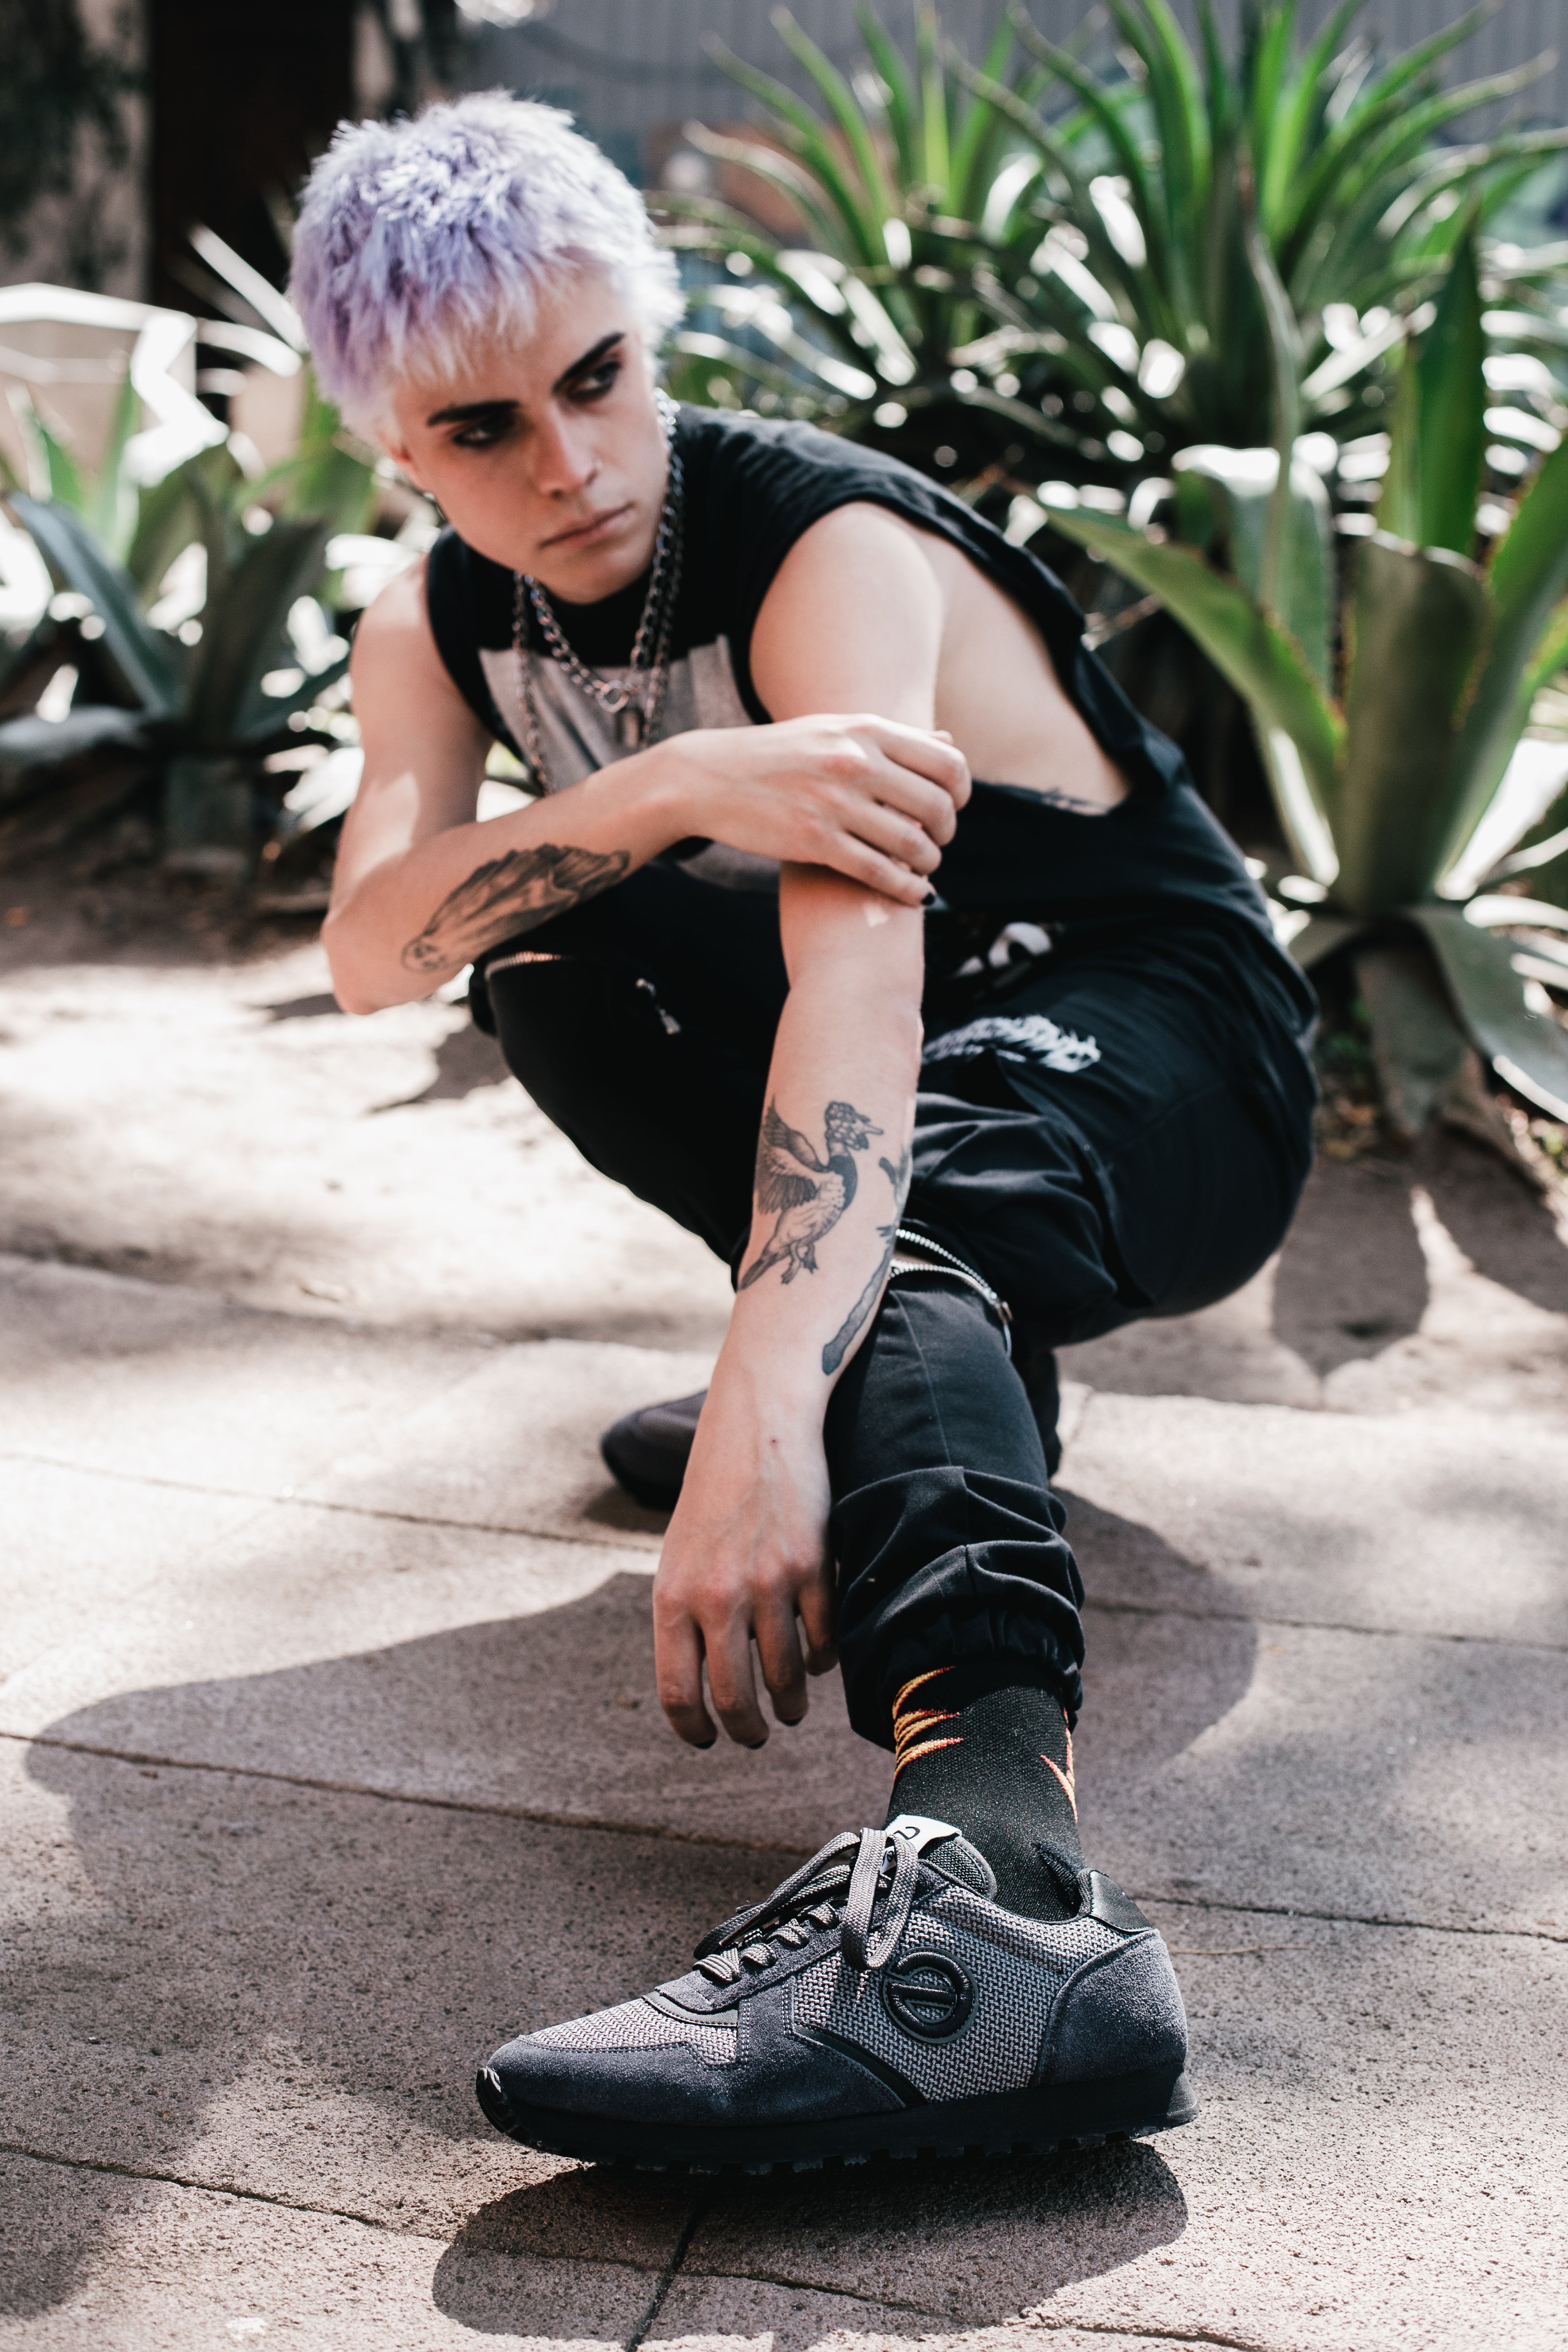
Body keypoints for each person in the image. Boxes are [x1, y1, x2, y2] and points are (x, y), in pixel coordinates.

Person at [292, 93, 1316, 2173]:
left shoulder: (817, 546)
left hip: (1161, 1040)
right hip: (940, 1071)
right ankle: (935, 1383)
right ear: (391, 444)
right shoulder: (437, 618)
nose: (567, 461)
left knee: (885, 1230)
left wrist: (769, 1400)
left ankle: (1003, 1892)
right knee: (546, 957)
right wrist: (666, 792)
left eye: (597, 377)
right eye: (482, 429)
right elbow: (376, 947)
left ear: (647, 334)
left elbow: (860, 1009)